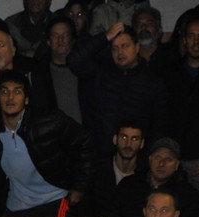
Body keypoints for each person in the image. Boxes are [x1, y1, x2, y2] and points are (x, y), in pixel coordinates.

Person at [0, 69, 93, 217]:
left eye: (17, 92)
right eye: (4, 92)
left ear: (26, 99)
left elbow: (85, 142)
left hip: (54, 199)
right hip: (15, 204)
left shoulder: (48, 121)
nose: (10, 97)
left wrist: (79, 187)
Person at [67, 22, 169, 152]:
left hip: (135, 153)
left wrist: (150, 153)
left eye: (125, 46)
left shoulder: (152, 81)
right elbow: (74, 61)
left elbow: (160, 124)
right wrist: (104, 37)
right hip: (100, 152)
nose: (120, 52)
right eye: (114, 48)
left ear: (137, 47)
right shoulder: (101, 71)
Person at [164, 16, 199, 201]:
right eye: (191, 36)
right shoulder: (170, 74)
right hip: (173, 160)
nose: (196, 42)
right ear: (184, 40)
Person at [114, 137, 199, 217]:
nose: (161, 164)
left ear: (177, 165)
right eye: (157, 158)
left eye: (168, 159)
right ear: (150, 160)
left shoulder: (188, 194)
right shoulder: (128, 185)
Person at [85, 121, 145, 217]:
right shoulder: (96, 169)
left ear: (142, 143)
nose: (128, 144)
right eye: (124, 137)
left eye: (134, 139)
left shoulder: (145, 176)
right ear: (115, 139)